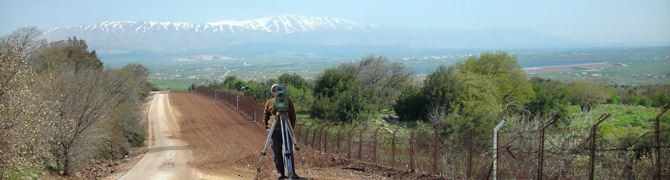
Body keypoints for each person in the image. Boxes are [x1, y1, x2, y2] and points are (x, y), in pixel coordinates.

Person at [264, 84, 299, 179]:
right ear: (272, 92)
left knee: (288, 151)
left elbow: (293, 116)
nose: (277, 92)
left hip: (286, 130)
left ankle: (291, 172)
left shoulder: (288, 102)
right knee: (276, 151)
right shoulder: (269, 102)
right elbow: (266, 116)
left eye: (279, 90)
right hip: (274, 130)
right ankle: (280, 172)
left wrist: (291, 128)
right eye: (275, 90)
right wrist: (267, 127)